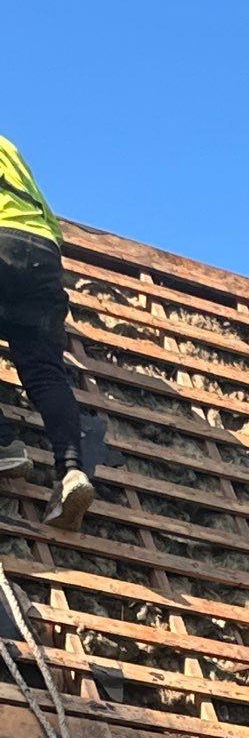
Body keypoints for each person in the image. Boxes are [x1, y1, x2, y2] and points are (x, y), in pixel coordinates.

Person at [0, 139, 94, 532]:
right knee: (44, 371)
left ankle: (4, 443)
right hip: (42, 250)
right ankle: (71, 471)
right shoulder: (8, 146)